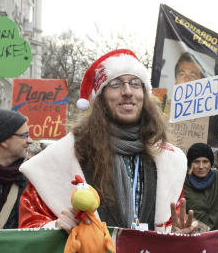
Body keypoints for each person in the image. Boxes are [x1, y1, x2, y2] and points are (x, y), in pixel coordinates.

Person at [19, 49, 194, 233]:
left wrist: (177, 235)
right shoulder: (64, 155)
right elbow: (29, 227)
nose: (127, 92)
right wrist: (56, 226)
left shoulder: (167, 160)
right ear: (100, 98)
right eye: (116, 84)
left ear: (144, 94)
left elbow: (169, 226)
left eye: (135, 83)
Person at [182, 143, 218, 231]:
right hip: (195, 238)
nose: (201, 166)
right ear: (190, 164)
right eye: (196, 162)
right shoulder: (182, 183)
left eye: (205, 161)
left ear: (211, 163)